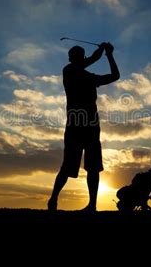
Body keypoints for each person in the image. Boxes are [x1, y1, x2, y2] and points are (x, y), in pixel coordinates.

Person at [48, 42, 120, 212]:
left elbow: (114, 75)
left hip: (87, 127)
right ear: (73, 59)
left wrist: (107, 54)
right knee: (68, 166)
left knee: (92, 167)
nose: (82, 59)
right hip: (78, 127)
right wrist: (105, 52)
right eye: (80, 56)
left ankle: (91, 205)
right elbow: (98, 63)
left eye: (81, 56)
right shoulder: (70, 71)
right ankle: (53, 199)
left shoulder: (87, 76)